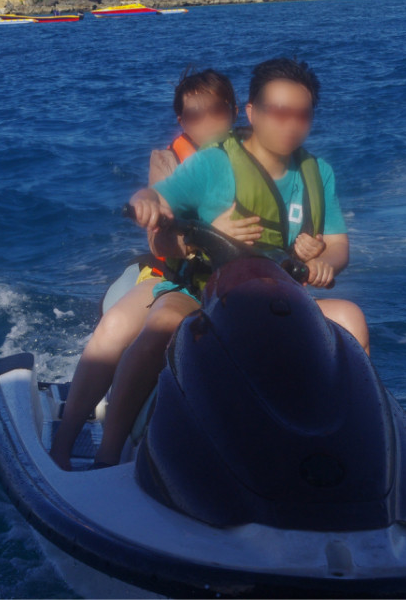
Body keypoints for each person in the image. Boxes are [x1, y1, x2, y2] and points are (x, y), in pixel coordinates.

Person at [94, 57, 369, 468]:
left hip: (278, 300)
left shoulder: (318, 173)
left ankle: (352, 442)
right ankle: (108, 450)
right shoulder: (213, 163)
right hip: (205, 293)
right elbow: (157, 197)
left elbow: (338, 246)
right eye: (278, 113)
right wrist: (144, 203)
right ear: (253, 113)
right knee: (161, 326)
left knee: (351, 318)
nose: (290, 125)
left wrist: (323, 262)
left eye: (302, 115)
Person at [48, 68, 237, 471]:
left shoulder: (255, 159)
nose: (208, 123)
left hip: (239, 283)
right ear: (182, 121)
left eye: (217, 111)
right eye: (195, 115)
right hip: (176, 278)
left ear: (235, 112)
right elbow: (158, 240)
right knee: (116, 327)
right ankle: (72, 444)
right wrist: (206, 239)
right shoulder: (169, 163)